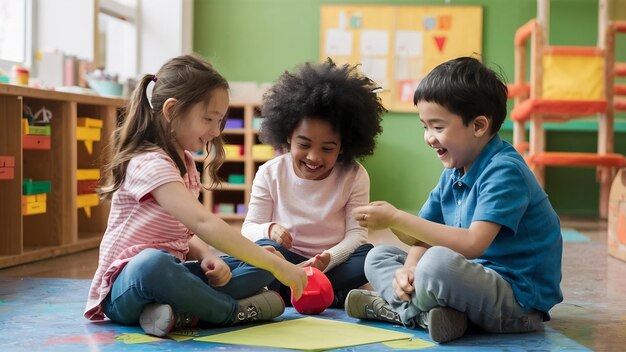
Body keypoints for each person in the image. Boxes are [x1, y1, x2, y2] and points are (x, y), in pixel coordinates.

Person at [83, 54, 307, 338]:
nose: (215, 131)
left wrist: (206, 256)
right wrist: (279, 268)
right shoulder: (148, 162)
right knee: (152, 263)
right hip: (126, 290)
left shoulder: (186, 163)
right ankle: (228, 313)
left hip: (174, 277)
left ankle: (182, 314)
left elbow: (185, 233)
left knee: (266, 251)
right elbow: (203, 223)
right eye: (209, 119)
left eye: (220, 121)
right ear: (172, 110)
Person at [345, 56, 563, 344]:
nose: (429, 138)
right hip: (470, 283)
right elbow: (422, 235)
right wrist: (409, 269)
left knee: (437, 264)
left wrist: (397, 218)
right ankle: (431, 316)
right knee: (378, 256)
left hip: (518, 302)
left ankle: (403, 311)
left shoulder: (505, 171)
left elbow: (473, 244)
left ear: (478, 126)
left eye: (437, 127)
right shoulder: (455, 170)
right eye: (425, 126)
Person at [240, 59, 385, 308]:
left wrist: (328, 258)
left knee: (370, 255)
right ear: (288, 136)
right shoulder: (270, 172)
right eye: (304, 145)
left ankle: (289, 292)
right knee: (263, 249)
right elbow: (249, 228)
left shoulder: (354, 174)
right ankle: (327, 294)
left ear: (343, 146)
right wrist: (270, 229)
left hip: (332, 264)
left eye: (327, 148)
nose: (314, 157)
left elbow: (357, 235)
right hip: (285, 261)